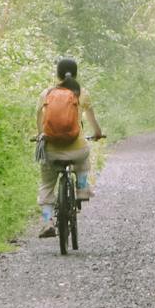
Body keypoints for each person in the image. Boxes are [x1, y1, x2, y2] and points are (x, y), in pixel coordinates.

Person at [36, 57, 105, 239]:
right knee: (83, 158)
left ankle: (47, 222)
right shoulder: (82, 93)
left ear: (57, 74)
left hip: (51, 150)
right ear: (75, 74)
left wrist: (40, 136)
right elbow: (92, 120)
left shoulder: (46, 94)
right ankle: (82, 189)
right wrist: (98, 133)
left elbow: (39, 121)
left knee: (47, 185)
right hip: (76, 149)